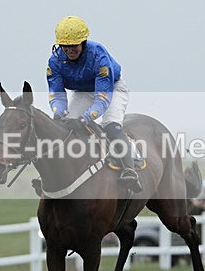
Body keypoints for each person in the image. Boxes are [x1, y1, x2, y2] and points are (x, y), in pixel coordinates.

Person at [46, 15, 142, 192]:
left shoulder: (98, 55)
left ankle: (130, 168)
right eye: (65, 46)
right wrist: (58, 114)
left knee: (111, 125)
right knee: (64, 127)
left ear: (83, 42)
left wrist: (84, 120)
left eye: (73, 45)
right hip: (83, 91)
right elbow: (57, 95)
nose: (69, 50)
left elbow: (102, 100)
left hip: (111, 87)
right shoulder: (54, 62)